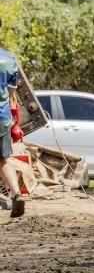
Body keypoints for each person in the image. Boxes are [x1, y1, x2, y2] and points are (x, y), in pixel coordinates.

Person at [0, 26, 23, 219]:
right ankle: (16, 194)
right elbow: (12, 97)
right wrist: (15, 123)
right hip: (2, 119)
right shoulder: (9, 60)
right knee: (3, 160)